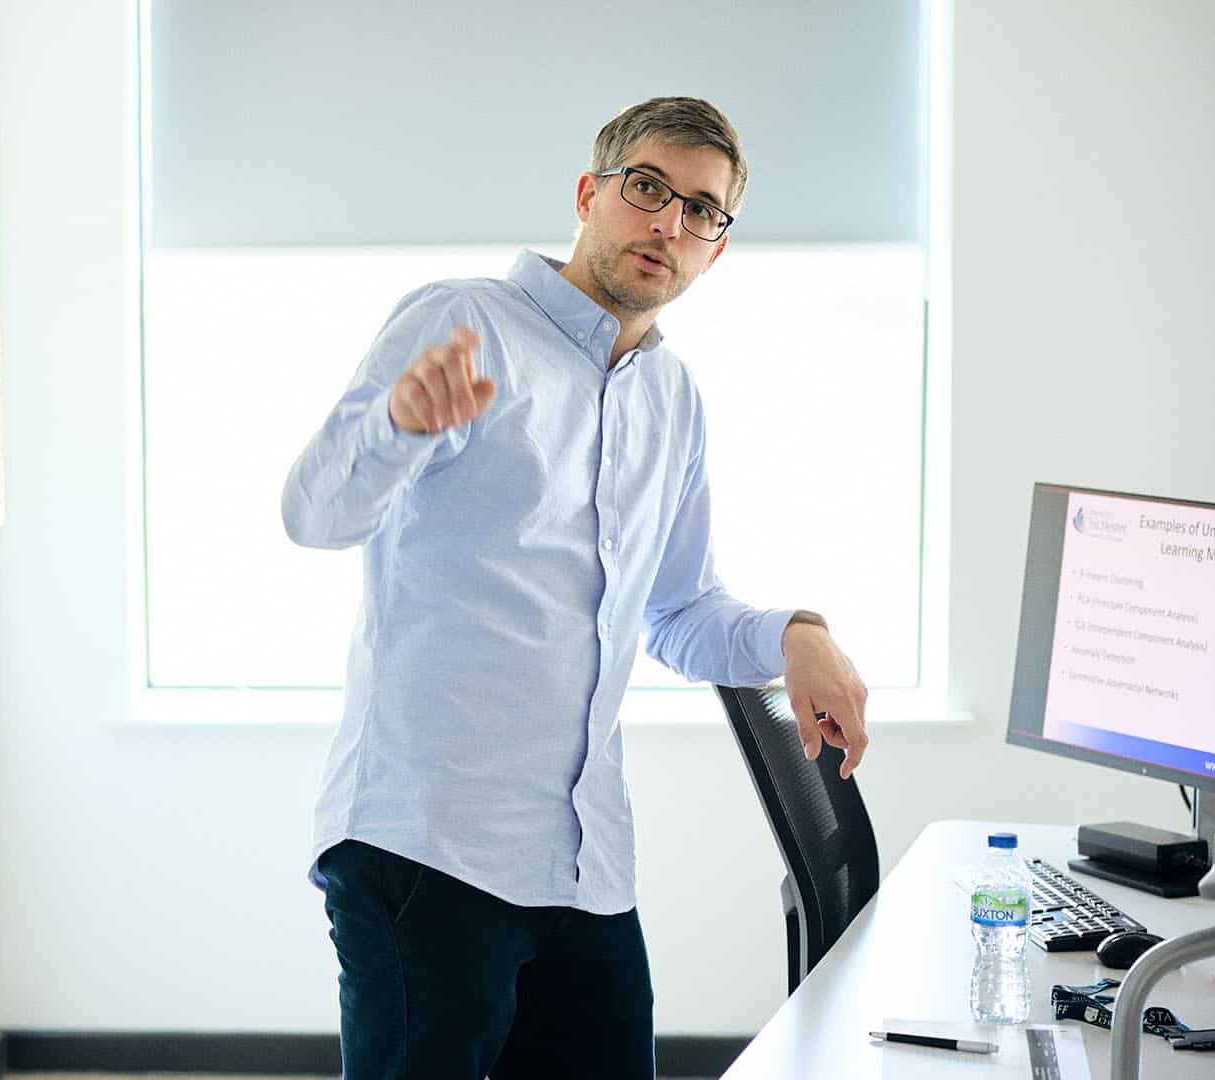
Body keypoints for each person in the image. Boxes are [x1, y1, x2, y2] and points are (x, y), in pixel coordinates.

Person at [281, 97, 871, 1078]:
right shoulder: (464, 320)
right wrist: (398, 425)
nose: (667, 224)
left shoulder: (670, 396)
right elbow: (317, 514)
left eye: (701, 210)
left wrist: (797, 635)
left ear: (715, 251)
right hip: (427, 848)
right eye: (647, 188)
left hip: (582, 867)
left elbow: (679, 613)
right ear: (591, 195)